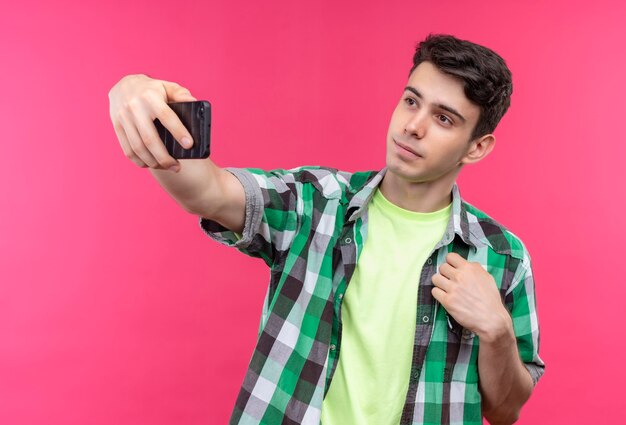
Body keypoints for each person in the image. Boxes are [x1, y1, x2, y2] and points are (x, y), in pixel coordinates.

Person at [108, 34, 544, 425]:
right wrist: (138, 94)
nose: (414, 126)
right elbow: (207, 192)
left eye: (444, 119)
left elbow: (505, 410)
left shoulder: (501, 257)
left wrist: (498, 331)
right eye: (411, 101)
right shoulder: (315, 203)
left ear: (477, 147)